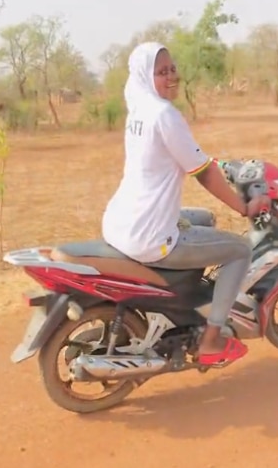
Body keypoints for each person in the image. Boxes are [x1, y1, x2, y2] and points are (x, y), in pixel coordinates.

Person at [101, 42, 269, 366]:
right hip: (150, 236)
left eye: (173, 68)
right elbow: (203, 174)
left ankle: (184, 306)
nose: (172, 76)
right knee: (239, 250)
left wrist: (219, 164)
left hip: (121, 222)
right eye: (162, 72)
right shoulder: (165, 114)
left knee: (204, 218)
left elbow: (193, 158)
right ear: (146, 76)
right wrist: (244, 208)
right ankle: (210, 341)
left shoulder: (139, 106)